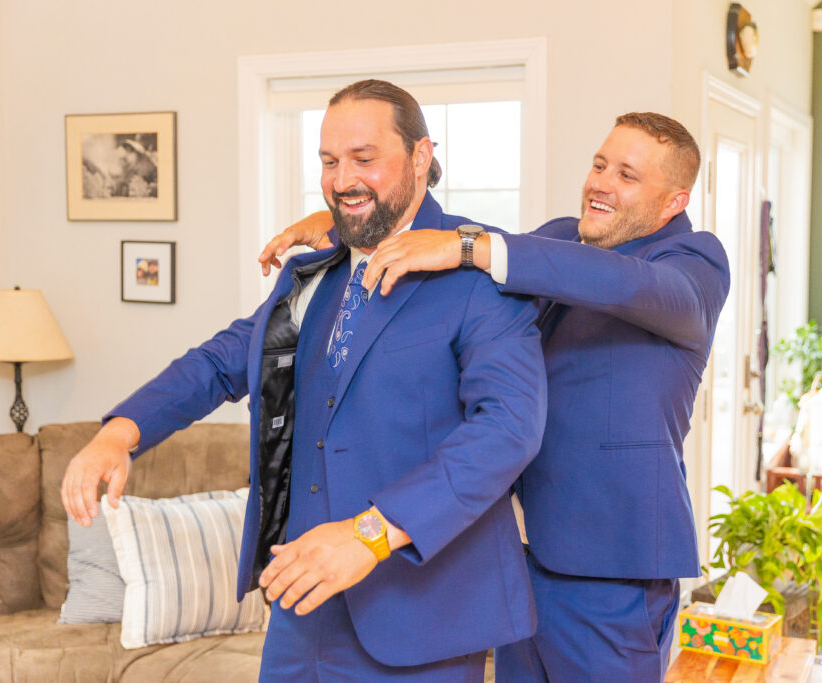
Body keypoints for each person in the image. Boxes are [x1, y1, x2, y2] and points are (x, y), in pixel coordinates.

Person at [61, 79, 547, 681]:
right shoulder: (312, 270)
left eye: (364, 159)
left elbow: (507, 432)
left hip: (425, 616)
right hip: (301, 615)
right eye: (328, 161)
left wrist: (368, 536)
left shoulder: (478, 270)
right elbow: (221, 360)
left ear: (421, 156)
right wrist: (121, 432)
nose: (342, 179)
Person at [260, 112, 731, 682]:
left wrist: (468, 246)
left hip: (611, 573)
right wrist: (344, 224)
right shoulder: (560, 237)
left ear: (672, 202)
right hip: (517, 559)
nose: (601, 182)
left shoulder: (693, 262)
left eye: (627, 175)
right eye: (599, 164)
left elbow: (615, 281)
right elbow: (452, 244)